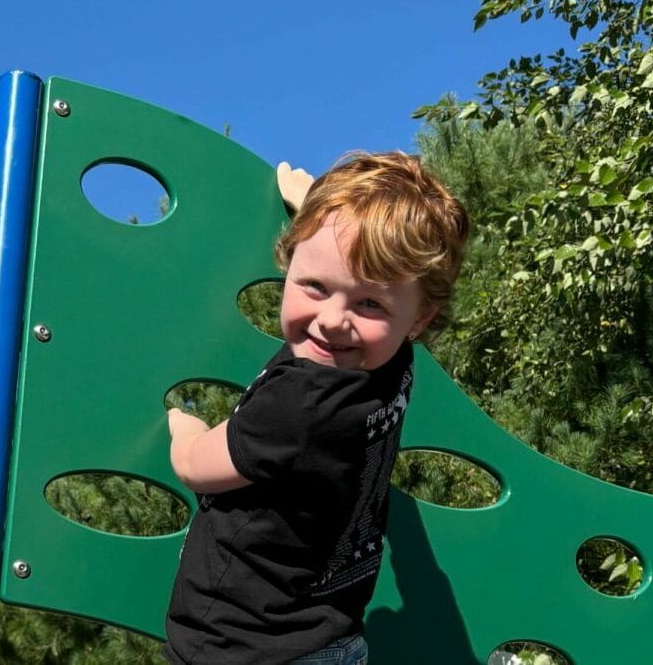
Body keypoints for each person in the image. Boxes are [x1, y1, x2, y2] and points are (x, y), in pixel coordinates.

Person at [163, 153, 470, 664]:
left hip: (241, 648)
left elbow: (195, 468)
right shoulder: (388, 362)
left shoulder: (301, 405)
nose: (331, 321)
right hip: (330, 640)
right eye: (315, 286)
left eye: (369, 304)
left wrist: (182, 426)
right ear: (290, 259)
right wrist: (322, 213)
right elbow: (357, 269)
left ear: (419, 318)